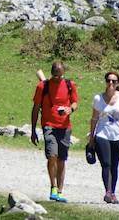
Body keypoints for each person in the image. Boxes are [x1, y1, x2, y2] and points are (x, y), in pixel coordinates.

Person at [31, 61, 79, 203]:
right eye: (55, 75)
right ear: (51, 73)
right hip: (49, 125)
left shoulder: (70, 85)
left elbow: (75, 102)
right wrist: (33, 130)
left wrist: (70, 109)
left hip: (65, 126)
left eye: (60, 75)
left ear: (63, 73)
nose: (57, 78)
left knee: (62, 159)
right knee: (52, 155)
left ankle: (59, 191)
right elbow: (35, 109)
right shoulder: (42, 86)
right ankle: (53, 187)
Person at [88, 71, 119, 204]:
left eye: (114, 81)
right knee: (106, 164)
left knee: (114, 166)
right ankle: (107, 191)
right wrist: (92, 136)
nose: (111, 83)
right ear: (105, 82)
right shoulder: (98, 98)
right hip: (102, 134)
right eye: (108, 80)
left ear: (118, 83)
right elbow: (94, 118)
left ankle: (113, 192)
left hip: (118, 135)